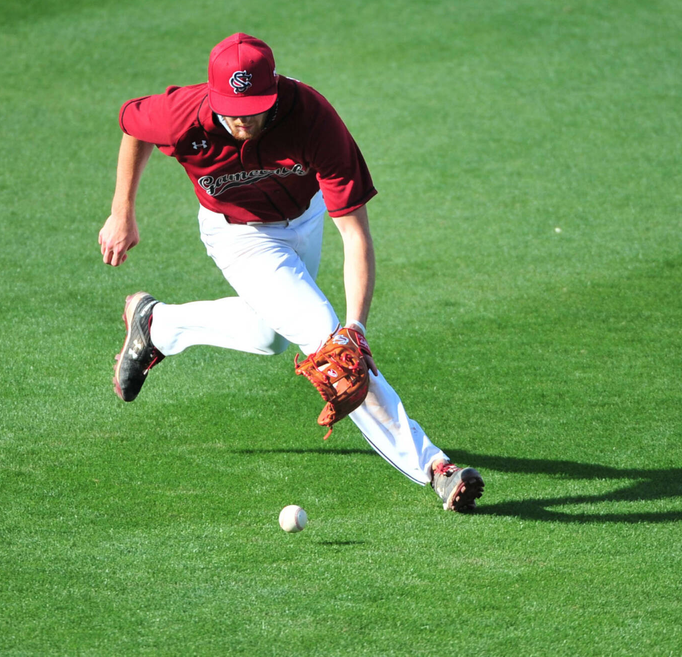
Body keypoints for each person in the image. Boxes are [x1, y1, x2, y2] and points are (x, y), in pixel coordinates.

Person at [97, 33, 483, 511]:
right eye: (233, 108)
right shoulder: (182, 115)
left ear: (274, 91)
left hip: (305, 219)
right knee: (328, 348)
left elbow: (356, 236)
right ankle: (435, 468)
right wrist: (122, 211)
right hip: (239, 235)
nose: (243, 118)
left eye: (254, 106)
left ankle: (157, 325)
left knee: (272, 336)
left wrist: (357, 329)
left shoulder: (313, 119)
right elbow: (133, 124)